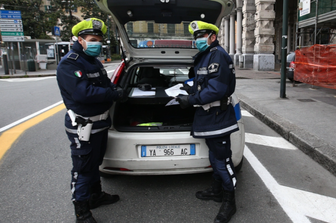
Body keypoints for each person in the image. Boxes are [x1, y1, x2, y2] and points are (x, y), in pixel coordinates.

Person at [56, 18, 123, 223]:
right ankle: (82, 212)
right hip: (83, 125)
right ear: (80, 39)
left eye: (99, 40)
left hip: (100, 123)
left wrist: (115, 90)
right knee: (83, 169)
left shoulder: (92, 61)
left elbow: (105, 84)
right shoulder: (70, 63)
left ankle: (95, 196)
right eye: (92, 39)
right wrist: (112, 95)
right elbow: (83, 93)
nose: (97, 44)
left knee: (95, 163)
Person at [176, 21, 239, 223]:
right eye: (196, 37)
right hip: (208, 116)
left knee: (222, 160)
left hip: (218, 116)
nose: (198, 40)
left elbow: (217, 89)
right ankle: (216, 190)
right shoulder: (206, 56)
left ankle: (230, 201)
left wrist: (191, 99)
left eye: (201, 35)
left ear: (212, 36)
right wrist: (191, 90)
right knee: (214, 157)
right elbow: (204, 84)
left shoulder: (218, 55)